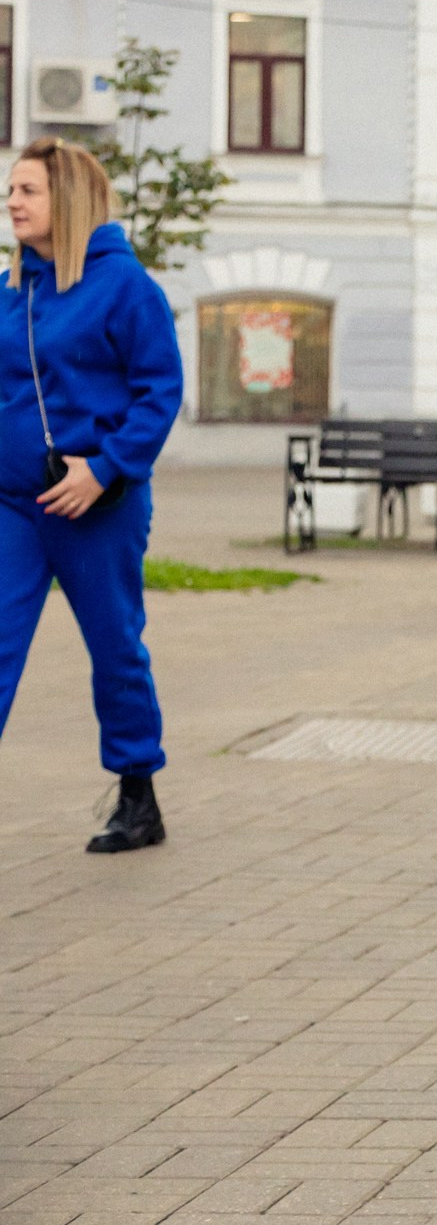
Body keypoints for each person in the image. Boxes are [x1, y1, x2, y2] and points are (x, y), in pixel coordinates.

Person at [0, 138, 183, 853]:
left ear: (67, 200)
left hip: (96, 505)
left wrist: (105, 469)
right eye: (10, 191)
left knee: (114, 648)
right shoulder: (16, 288)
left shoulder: (124, 286)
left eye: (27, 191)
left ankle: (138, 794)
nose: (12, 202)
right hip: (15, 503)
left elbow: (159, 390)